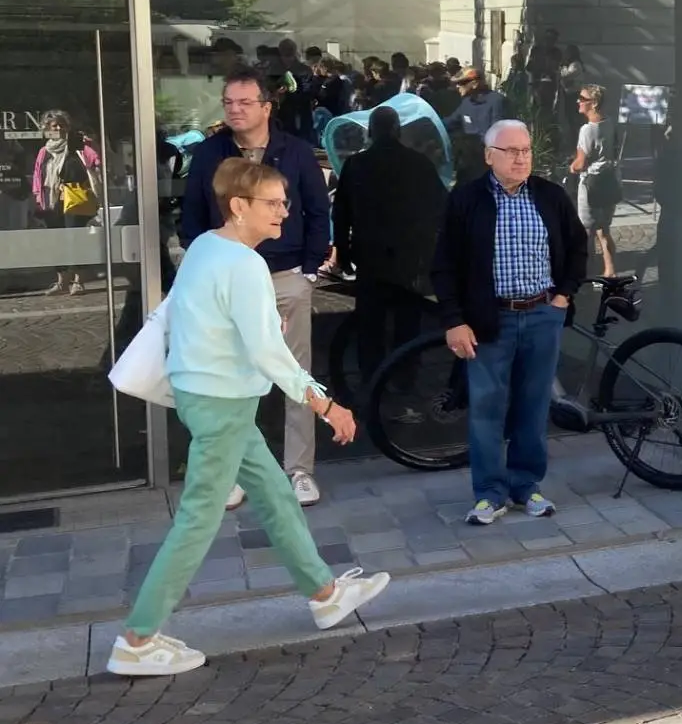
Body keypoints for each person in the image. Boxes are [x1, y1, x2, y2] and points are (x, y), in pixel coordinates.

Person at [108, 158, 389, 676]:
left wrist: (259, 327)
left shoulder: (205, 248)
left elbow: (206, 319)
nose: (285, 211)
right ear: (239, 207)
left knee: (275, 494)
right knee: (197, 518)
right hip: (222, 405)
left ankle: (325, 593)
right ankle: (137, 639)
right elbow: (268, 354)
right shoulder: (243, 263)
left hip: (209, 399)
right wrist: (326, 404)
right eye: (273, 203)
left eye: (286, 201)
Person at [179, 68, 331, 509]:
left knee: (293, 371)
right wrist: (198, 259)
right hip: (227, 279)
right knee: (229, 377)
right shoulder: (211, 153)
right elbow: (192, 212)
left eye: (244, 102)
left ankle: (299, 470)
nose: (234, 110)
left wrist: (309, 270)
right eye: (228, 102)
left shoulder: (296, 152)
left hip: (284, 276)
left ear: (266, 107)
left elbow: (319, 213)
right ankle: (233, 470)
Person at [431, 119, 588, 526]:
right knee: (486, 409)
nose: (521, 158)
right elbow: (443, 264)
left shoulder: (550, 196)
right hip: (488, 320)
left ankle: (526, 487)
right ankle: (489, 494)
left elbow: (576, 246)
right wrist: (454, 320)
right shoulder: (467, 200)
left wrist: (562, 296)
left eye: (526, 150)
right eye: (511, 151)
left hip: (542, 315)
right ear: (489, 156)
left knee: (533, 407)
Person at [333, 106, 448, 402]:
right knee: (407, 323)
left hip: (369, 256)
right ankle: (404, 380)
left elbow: (341, 213)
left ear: (370, 131)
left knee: (369, 324)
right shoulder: (419, 163)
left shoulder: (356, 165)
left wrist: (342, 252)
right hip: (411, 257)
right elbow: (440, 208)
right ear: (398, 130)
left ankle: (372, 382)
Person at [31, 110, 103, 296]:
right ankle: (61, 281)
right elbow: (38, 175)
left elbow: (98, 161)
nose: (58, 128)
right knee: (57, 240)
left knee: (75, 239)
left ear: (68, 127)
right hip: (51, 200)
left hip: (75, 199)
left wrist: (89, 143)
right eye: (54, 125)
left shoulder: (77, 146)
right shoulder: (44, 151)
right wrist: (38, 198)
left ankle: (78, 281)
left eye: (61, 125)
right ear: (47, 129)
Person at [571, 84, 620, 279]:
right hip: (608, 179)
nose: (578, 101)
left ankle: (583, 272)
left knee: (585, 230)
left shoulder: (587, 130)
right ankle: (610, 270)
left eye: (582, 99)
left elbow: (580, 163)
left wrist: (571, 167)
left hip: (591, 183)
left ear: (594, 103)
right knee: (603, 229)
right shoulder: (610, 122)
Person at [447, 68, 509, 139]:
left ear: (475, 84)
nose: (457, 86)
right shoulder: (466, 102)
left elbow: (498, 134)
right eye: (457, 83)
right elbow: (450, 122)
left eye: (462, 83)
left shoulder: (497, 101)